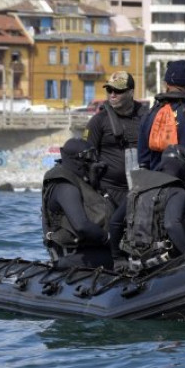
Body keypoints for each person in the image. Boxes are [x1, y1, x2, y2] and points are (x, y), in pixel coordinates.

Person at [41, 138, 114, 270]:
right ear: (76, 161)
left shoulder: (80, 181)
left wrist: (96, 184)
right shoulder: (64, 186)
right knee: (122, 260)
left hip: (87, 250)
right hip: (71, 255)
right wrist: (109, 239)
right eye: (88, 160)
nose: (92, 163)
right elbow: (82, 226)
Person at [84, 71, 149, 208]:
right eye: (109, 90)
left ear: (131, 92)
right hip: (109, 192)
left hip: (142, 190)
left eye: (118, 91)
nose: (112, 95)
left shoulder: (146, 118)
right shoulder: (98, 121)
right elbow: (86, 157)